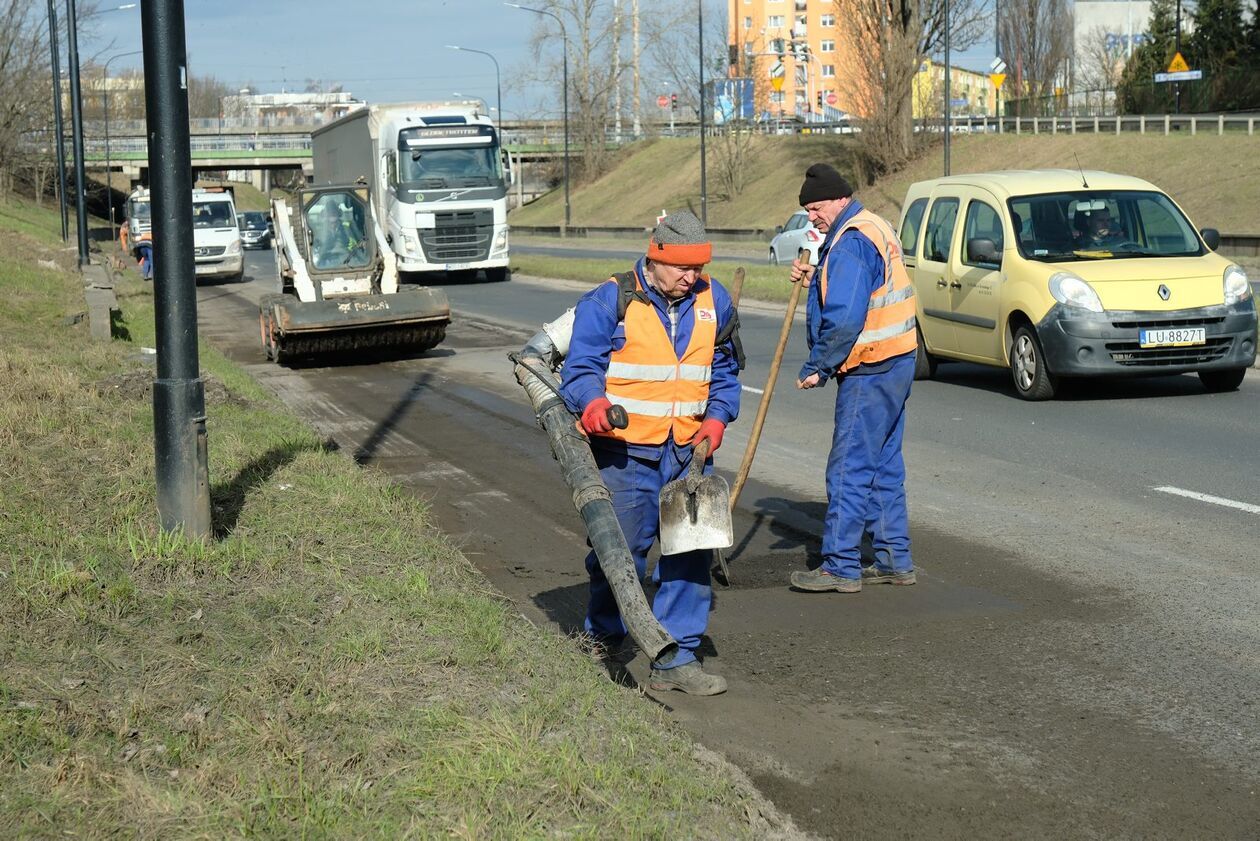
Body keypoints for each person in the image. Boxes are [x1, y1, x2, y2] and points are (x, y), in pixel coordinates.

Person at [561, 210, 741, 696]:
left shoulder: (714, 299)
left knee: (691, 554)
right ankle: (604, 636)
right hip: (626, 454)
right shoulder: (611, 299)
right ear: (655, 257)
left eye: (698, 267)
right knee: (617, 553)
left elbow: (724, 371)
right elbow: (579, 370)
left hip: (688, 451)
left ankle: (676, 657)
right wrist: (593, 404)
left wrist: (719, 417)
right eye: (682, 268)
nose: (691, 277)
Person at [787, 163, 918, 594]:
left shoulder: (849, 243)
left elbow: (844, 320)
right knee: (883, 466)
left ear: (840, 199)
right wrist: (813, 278)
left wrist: (817, 367)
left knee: (848, 467)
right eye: (807, 210)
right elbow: (854, 287)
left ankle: (840, 566)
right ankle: (895, 560)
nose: (813, 216)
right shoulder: (872, 224)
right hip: (897, 361)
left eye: (817, 207)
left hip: (869, 365)